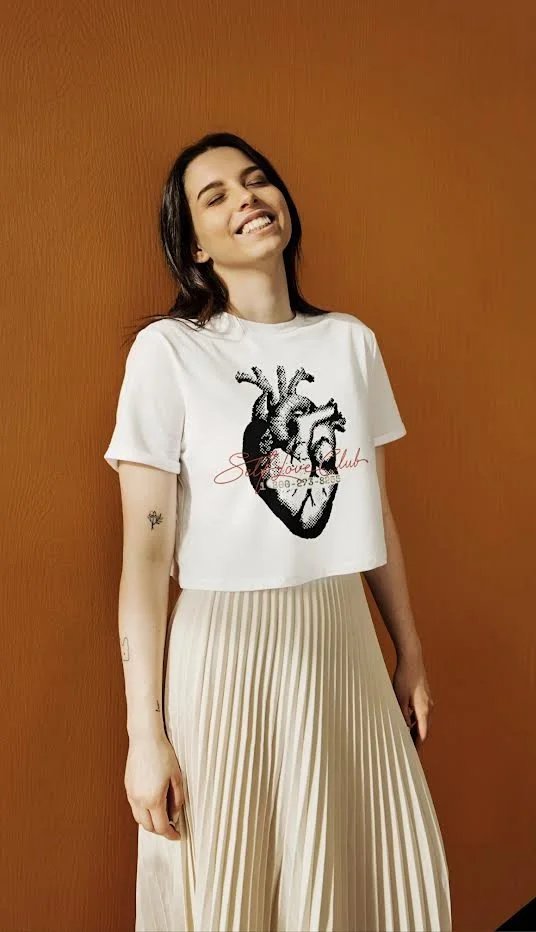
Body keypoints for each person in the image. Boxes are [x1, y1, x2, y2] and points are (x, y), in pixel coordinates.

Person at [103, 131, 452, 932]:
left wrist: (409, 652)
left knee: (366, 876)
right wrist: (143, 734)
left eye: (257, 180)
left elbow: (373, 512)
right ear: (195, 245)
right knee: (241, 887)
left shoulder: (351, 343)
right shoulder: (169, 352)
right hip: (227, 657)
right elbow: (145, 559)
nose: (247, 198)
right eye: (216, 195)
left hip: (343, 643)